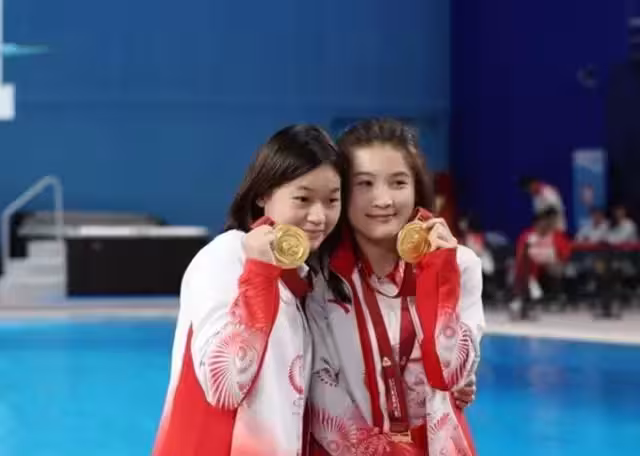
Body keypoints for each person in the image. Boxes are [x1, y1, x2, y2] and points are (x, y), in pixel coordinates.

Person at [152, 125, 347, 456]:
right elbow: (224, 384)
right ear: (263, 194)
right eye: (303, 198)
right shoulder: (226, 257)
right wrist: (258, 274)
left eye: (332, 200)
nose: (319, 216)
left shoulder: (301, 280)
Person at [307, 119, 484, 455]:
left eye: (398, 182)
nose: (383, 200)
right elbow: (319, 389)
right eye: (364, 183)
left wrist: (440, 278)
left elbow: (451, 374)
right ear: (340, 191)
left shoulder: (460, 265)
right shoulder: (318, 276)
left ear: (417, 188)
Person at [510, 208, 572, 319]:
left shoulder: (556, 235)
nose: (543, 225)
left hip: (551, 265)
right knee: (523, 269)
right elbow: (521, 253)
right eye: (540, 223)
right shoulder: (528, 236)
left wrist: (556, 260)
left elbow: (564, 253)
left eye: (545, 223)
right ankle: (521, 302)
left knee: (554, 269)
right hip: (532, 267)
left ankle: (552, 299)